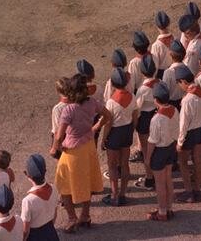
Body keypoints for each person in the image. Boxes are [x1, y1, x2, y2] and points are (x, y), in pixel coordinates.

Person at [50, 74, 111, 232]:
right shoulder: (92, 103)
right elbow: (108, 115)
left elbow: (59, 134)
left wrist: (55, 147)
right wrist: (97, 126)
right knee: (87, 181)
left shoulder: (68, 110)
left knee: (63, 184)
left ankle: (72, 218)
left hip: (73, 151)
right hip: (88, 145)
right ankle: (85, 215)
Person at [100, 68, 136, 207]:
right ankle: (122, 194)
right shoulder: (132, 96)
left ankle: (114, 195)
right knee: (124, 163)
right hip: (127, 130)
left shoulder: (111, 102)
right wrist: (131, 129)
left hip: (114, 133)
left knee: (112, 166)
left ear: (113, 84)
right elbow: (134, 115)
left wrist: (104, 138)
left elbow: (108, 123)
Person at [145, 82, 179, 222]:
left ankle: (162, 212)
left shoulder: (157, 119)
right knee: (168, 179)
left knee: (159, 184)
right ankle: (169, 208)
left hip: (160, 151)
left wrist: (147, 157)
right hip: (171, 147)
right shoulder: (174, 110)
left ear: (156, 100)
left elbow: (152, 141)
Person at [175, 65, 201, 204]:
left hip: (189, 133)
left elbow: (184, 123)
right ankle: (197, 190)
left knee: (182, 162)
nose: (179, 86)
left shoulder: (187, 99)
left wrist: (180, 141)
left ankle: (188, 191)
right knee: (198, 161)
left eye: (179, 83)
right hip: (200, 129)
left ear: (183, 81)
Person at [134, 55, 159, 189]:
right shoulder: (160, 83)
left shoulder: (142, 89)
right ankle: (156, 173)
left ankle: (149, 177)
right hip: (155, 115)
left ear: (142, 72)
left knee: (146, 150)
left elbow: (137, 108)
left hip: (144, 118)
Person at [19, 155, 58, 241]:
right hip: (50, 230)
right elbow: (55, 214)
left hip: (35, 235)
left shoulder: (28, 201)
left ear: (27, 175)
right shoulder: (54, 188)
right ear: (45, 171)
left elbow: (25, 229)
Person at [151, 12, 174, 79]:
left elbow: (155, 67)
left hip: (162, 75)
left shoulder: (156, 45)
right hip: (174, 71)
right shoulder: (174, 39)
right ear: (168, 23)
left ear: (157, 26)